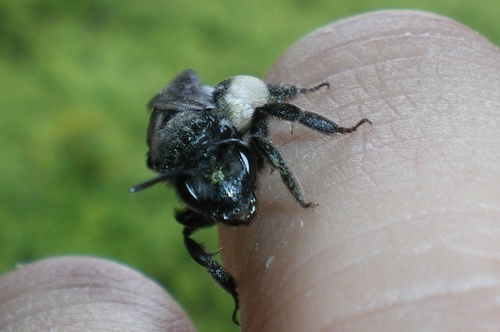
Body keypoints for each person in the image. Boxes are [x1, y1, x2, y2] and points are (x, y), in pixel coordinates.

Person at [2, 10, 500, 331]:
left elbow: (254, 98)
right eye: (207, 190)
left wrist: (323, 118)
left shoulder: (230, 116)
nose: (228, 191)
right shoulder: (179, 160)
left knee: (266, 127)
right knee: (191, 240)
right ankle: (233, 288)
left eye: (227, 175)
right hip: (190, 136)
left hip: (210, 121)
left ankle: (329, 129)